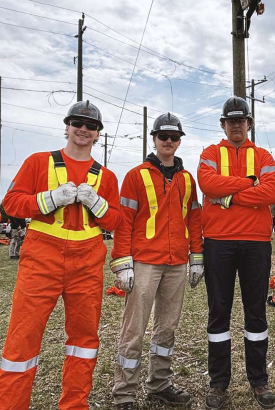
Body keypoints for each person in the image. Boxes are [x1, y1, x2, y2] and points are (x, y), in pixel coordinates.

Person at [0, 100, 122, 410]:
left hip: (88, 263)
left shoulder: (107, 177)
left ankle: (75, 405)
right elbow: (10, 203)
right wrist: (49, 199)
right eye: (77, 122)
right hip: (41, 260)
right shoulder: (38, 162)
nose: (83, 129)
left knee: (84, 341)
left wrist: (95, 203)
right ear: (67, 127)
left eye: (90, 126)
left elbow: (115, 221)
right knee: (22, 338)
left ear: (97, 135)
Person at [110, 113, 203, 409]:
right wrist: (123, 263)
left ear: (179, 142)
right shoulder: (136, 176)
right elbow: (123, 223)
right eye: (163, 137)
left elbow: (195, 220)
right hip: (145, 263)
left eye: (174, 137)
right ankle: (124, 393)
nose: (168, 142)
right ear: (153, 139)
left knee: (167, 328)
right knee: (133, 329)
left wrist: (196, 258)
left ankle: (159, 384)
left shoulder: (187, 179)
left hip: (176, 264)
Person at [197, 96, 275, 409]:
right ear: (223, 124)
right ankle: (219, 382)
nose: (235, 125)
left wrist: (230, 197)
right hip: (218, 241)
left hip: (256, 243)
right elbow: (208, 185)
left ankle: (258, 380)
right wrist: (248, 185)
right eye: (230, 120)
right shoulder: (209, 153)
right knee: (219, 311)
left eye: (240, 120)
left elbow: (271, 192)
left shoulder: (264, 154)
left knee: (255, 310)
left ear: (249, 123)